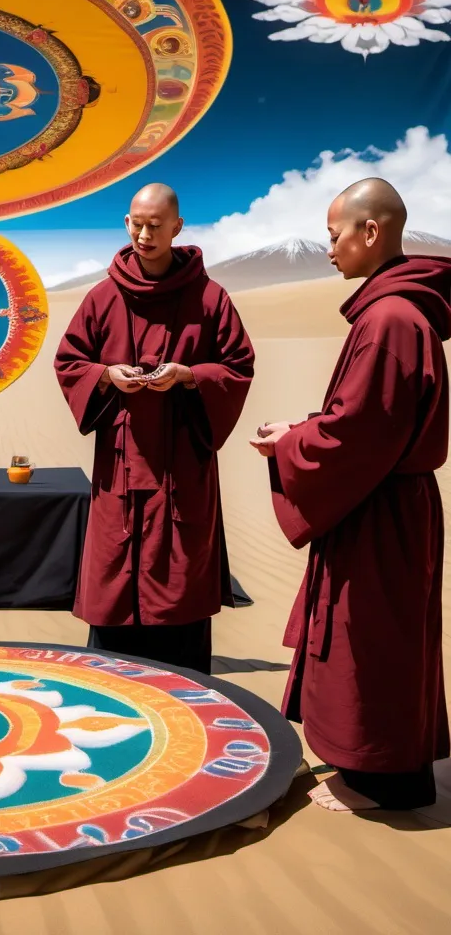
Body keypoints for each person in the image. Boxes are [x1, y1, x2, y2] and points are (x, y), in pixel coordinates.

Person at [251, 178, 450, 811]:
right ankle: (374, 769)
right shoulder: (391, 311)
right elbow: (362, 419)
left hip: (379, 509)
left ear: (371, 232)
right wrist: (303, 429)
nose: (329, 249)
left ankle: (384, 782)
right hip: (379, 499)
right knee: (373, 633)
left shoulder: (391, 318)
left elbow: (360, 434)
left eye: (335, 236)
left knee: (374, 640)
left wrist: (291, 446)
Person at [55, 183, 254, 673]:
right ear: (126, 223)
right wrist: (106, 375)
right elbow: (69, 360)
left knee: (180, 581)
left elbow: (238, 366)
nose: (145, 235)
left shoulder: (209, 298)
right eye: (137, 224)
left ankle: (189, 695)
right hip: (120, 467)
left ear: (178, 228)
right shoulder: (103, 297)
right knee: (114, 579)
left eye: (156, 226)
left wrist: (188, 375)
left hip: (181, 469)